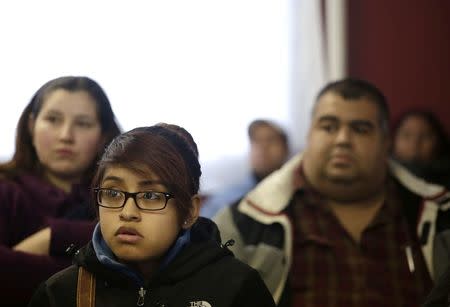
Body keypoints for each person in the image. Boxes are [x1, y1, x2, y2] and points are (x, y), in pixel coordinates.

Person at [214, 78, 450, 307]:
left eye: (361, 129)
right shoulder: (240, 224)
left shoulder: (440, 216)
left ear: (386, 141)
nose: (343, 139)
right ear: (309, 135)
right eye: (328, 126)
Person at [28, 124, 276, 307]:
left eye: (150, 196)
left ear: (189, 212)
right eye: (113, 193)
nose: (127, 212)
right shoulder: (62, 293)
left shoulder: (233, 287)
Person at [0, 76, 121, 306]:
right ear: (31, 125)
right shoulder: (6, 191)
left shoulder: (121, 199)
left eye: (83, 123)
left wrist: (53, 236)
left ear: (103, 136)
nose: (66, 135)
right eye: (53, 119)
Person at [201, 118, 290, 218]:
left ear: (285, 149)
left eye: (270, 140)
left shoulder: (298, 197)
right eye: (256, 141)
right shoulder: (225, 200)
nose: (263, 147)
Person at [392, 109, 450, 187]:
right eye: (407, 135)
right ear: (392, 140)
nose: (415, 143)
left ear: (439, 141)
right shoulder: (380, 177)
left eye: (425, 136)